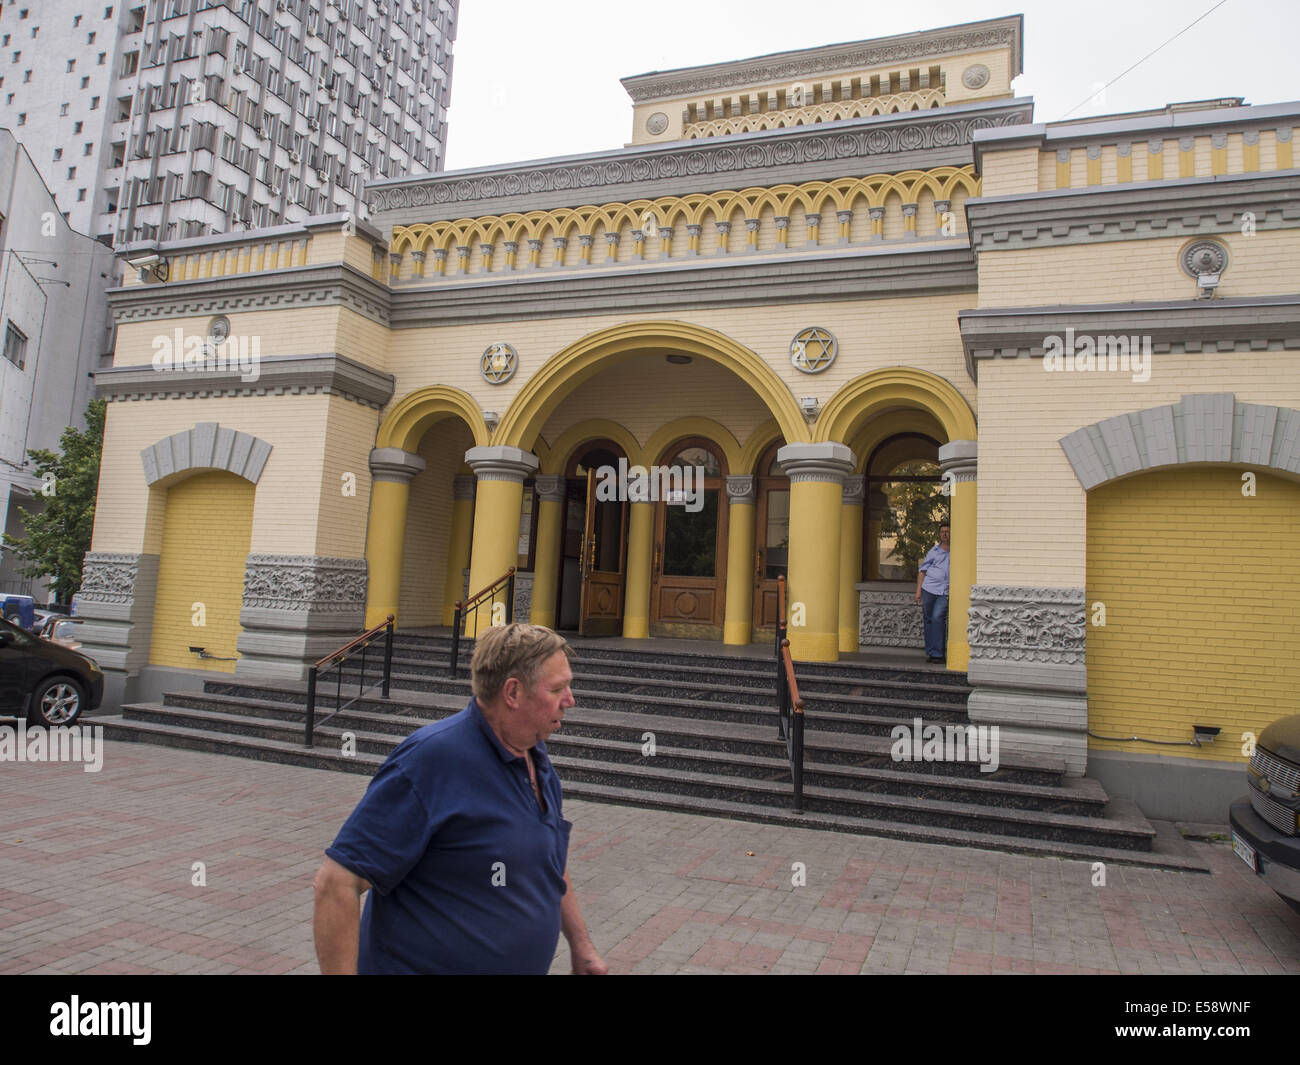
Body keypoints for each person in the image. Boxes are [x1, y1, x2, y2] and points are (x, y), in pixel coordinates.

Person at [312, 622, 607, 975]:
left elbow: (549, 863)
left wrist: (581, 944)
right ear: (513, 693)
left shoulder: (535, 758)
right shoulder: (433, 759)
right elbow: (335, 884)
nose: (570, 700)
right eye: (558, 688)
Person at [913, 525, 951, 664]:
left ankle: (938, 653)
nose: (944, 534)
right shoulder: (933, 551)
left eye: (947, 532)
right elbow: (922, 571)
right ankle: (931, 652)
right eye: (942, 532)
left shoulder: (956, 550)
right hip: (929, 589)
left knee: (937, 618)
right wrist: (918, 591)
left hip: (944, 591)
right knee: (928, 619)